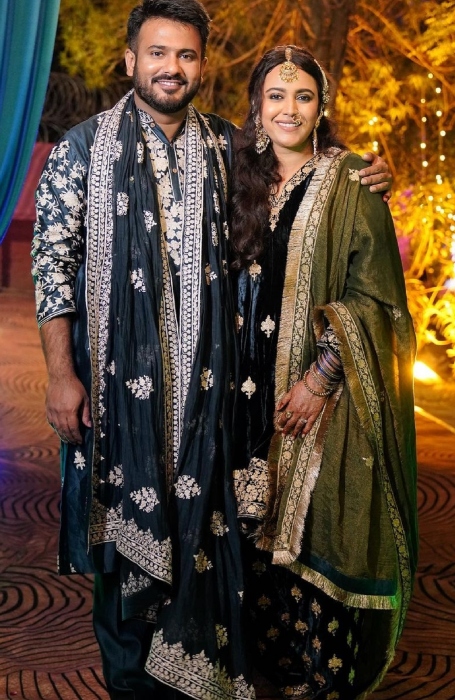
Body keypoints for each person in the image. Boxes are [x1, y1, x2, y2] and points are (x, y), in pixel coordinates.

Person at [31, 1, 393, 697]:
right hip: (116, 398)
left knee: (202, 538)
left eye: (186, 55)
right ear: (130, 60)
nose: (172, 68)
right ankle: (131, 684)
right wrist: (59, 374)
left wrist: (365, 175)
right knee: (121, 547)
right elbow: (52, 266)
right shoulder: (81, 150)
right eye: (157, 53)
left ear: (201, 64)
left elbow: (304, 174)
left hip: (209, 403)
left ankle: (194, 679)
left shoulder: (230, 149)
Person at [230, 46, 417, 700]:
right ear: (256, 105)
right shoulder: (233, 175)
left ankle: (319, 682)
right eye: (276, 95)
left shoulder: (352, 181)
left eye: (303, 96)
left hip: (320, 404)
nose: (289, 109)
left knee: (314, 535)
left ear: (322, 106)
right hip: (239, 402)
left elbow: (377, 299)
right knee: (247, 548)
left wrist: (322, 377)